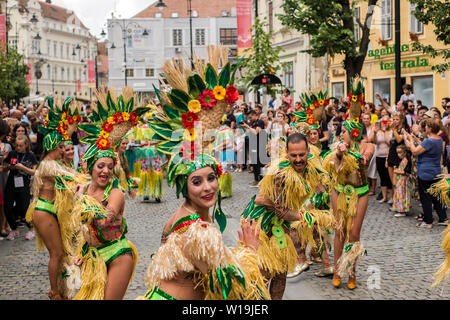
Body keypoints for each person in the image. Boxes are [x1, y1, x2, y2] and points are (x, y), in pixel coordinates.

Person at [139, 50, 268, 300]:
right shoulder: (196, 230)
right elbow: (229, 283)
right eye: (196, 182)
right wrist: (250, 249)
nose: (208, 187)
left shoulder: (187, 216)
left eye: (211, 177)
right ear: (183, 188)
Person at [71, 86, 147, 300]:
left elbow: (104, 220)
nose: (105, 171)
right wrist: (80, 253)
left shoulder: (116, 193)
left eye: (109, 166)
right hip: (92, 257)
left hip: (117, 254)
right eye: (100, 166)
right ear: (90, 167)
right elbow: (81, 228)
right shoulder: (84, 188)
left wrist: (79, 201)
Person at [243, 132, 333, 299]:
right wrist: (309, 216)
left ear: (308, 152)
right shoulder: (280, 175)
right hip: (263, 224)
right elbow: (281, 211)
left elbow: (320, 191)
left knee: (281, 274)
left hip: (281, 224)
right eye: (293, 155)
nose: (298, 159)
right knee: (263, 275)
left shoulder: (312, 167)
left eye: (301, 154)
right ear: (286, 153)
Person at [25, 96, 85, 300]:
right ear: (52, 148)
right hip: (44, 210)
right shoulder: (49, 166)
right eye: (60, 147)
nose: (64, 150)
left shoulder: (55, 164)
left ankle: (61, 288)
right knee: (56, 254)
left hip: (50, 210)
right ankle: (54, 292)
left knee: (60, 255)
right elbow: (73, 178)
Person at [322, 79, 374, 290]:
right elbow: (334, 167)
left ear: (353, 132)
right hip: (340, 192)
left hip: (360, 193)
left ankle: (352, 271)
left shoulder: (367, 146)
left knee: (354, 234)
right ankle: (336, 270)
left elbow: (364, 161)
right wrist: (339, 154)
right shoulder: (338, 148)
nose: (340, 133)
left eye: (343, 131)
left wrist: (350, 152)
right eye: (340, 131)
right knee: (340, 231)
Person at [404, 118, 448, 228]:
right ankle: (443, 218)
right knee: (437, 197)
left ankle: (428, 221)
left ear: (430, 128)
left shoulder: (429, 141)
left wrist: (409, 139)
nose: (425, 128)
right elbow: (425, 147)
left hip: (425, 172)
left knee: (426, 198)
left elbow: (415, 151)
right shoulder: (438, 139)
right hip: (436, 172)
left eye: (426, 126)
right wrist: (415, 139)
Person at [3, 135, 37, 241]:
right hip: (11, 183)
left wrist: (22, 167)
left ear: (26, 145)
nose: (18, 147)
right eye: (16, 145)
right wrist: (9, 167)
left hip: (23, 185)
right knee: (7, 207)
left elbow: (34, 171)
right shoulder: (12, 153)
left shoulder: (31, 156)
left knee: (24, 209)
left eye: (20, 146)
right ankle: (14, 229)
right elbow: (4, 166)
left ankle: (31, 229)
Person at [241, 110, 267, 186]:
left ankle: (262, 180)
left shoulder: (260, 122)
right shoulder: (252, 123)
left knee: (260, 163)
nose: (250, 119)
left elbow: (256, 132)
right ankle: (256, 180)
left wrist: (247, 126)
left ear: (255, 115)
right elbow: (248, 132)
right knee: (254, 163)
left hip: (260, 144)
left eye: (251, 117)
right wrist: (244, 128)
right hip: (253, 144)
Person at [386, 112, 407, 204]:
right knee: (392, 181)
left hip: (398, 157)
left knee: (397, 181)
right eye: (393, 119)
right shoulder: (393, 130)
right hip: (391, 155)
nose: (394, 121)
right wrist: (387, 158)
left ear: (401, 120)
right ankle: (394, 199)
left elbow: (399, 140)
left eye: (397, 119)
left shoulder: (403, 130)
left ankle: (399, 201)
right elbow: (390, 144)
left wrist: (393, 129)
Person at [373, 117, 393, 203]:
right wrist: (374, 133)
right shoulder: (378, 132)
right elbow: (375, 142)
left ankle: (392, 197)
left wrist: (385, 132)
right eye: (383, 122)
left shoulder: (391, 131)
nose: (384, 123)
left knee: (389, 178)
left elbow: (389, 143)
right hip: (379, 156)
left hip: (387, 157)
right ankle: (384, 197)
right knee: (382, 177)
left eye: (386, 122)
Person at [390, 145, 412, 217]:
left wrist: (396, 171)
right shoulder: (403, 160)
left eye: (400, 152)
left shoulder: (405, 160)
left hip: (403, 180)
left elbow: (404, 171)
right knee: (399, 194)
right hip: (400, 180)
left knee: (401, 194)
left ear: (405, 152)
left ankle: (402, 211)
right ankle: (399, 208)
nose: (398, 154)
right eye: (397, 153)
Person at [0, 119, 12, 238]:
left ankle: (5, 224)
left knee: (4, 201)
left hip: (4, 176)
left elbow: (8, 164)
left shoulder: (7, 145)